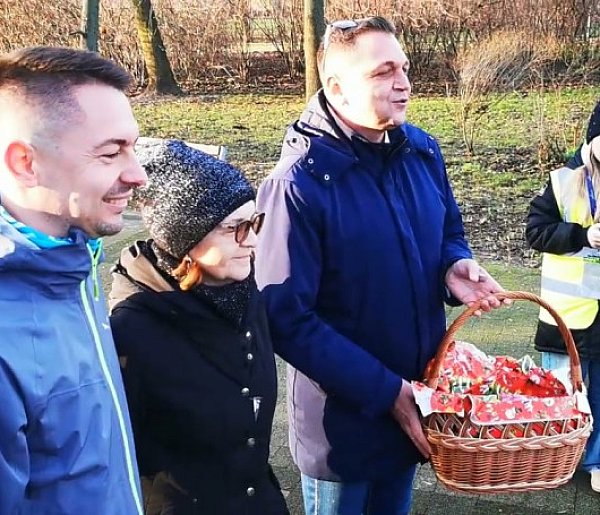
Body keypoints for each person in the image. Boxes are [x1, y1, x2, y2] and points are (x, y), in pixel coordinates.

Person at [254, 16, 505, 515]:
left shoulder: (421, 150)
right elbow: (284, 317)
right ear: (337, 89)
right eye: (384, 70)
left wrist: (452, 266)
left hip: (418, 404)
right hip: (344, 429)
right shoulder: (297, 186)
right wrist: (387, 392)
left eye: (405, 67)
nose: (404, 82)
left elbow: (448, 230)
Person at [0, 46, 147, 513]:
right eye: (111, 153)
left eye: (133, 147)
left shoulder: (69, 264)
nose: (137, 174)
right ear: (25, 163)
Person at [108, 139, 290, 515]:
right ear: (184, 240)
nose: (252, 240)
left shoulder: (242, 290)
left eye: (254, 223)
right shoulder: (132, 330)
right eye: (234, 228)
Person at [526, 101, 600, 493]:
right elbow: (535, 232)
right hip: (566, 314)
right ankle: (551, 455)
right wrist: (580, 236)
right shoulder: (562, 182)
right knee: (560, 391)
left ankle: (595, 460)